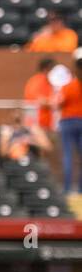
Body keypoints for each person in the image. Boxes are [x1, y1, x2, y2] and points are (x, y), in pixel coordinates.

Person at [54, 56, 82, 194]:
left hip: (68, 121)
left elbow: (58, 104)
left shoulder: (68, 86)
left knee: (68, 155)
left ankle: (67, 189)